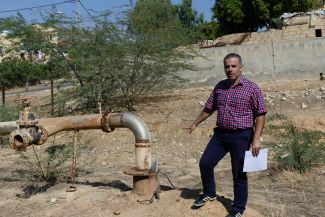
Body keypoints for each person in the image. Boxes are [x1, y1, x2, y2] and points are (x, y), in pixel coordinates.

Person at [184, 53, 267, 217]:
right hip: (221, 135)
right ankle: (209, 192)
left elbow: (260, 115)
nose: (230, 69)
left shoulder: (252, 88)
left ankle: (237, 209)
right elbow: (209, 108)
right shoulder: (220, 86)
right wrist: (195, 123)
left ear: (241, 67)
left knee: (239, 175)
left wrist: (256, 138)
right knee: (205, 163)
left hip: (241, 136)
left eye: (233, 66)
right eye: (227, 66)